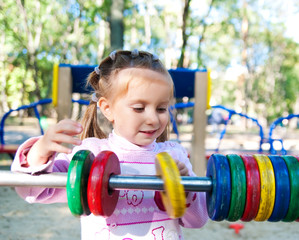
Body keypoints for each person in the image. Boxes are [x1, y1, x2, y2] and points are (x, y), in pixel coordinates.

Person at [11, 49, 208, 240]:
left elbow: (197, 220)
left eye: (161, 108)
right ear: (108, 108)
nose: (153, 119)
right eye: (139, 108)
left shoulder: (174, 156)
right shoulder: (92, 155)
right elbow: (31, 191)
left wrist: (186, 190)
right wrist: (40, 150)